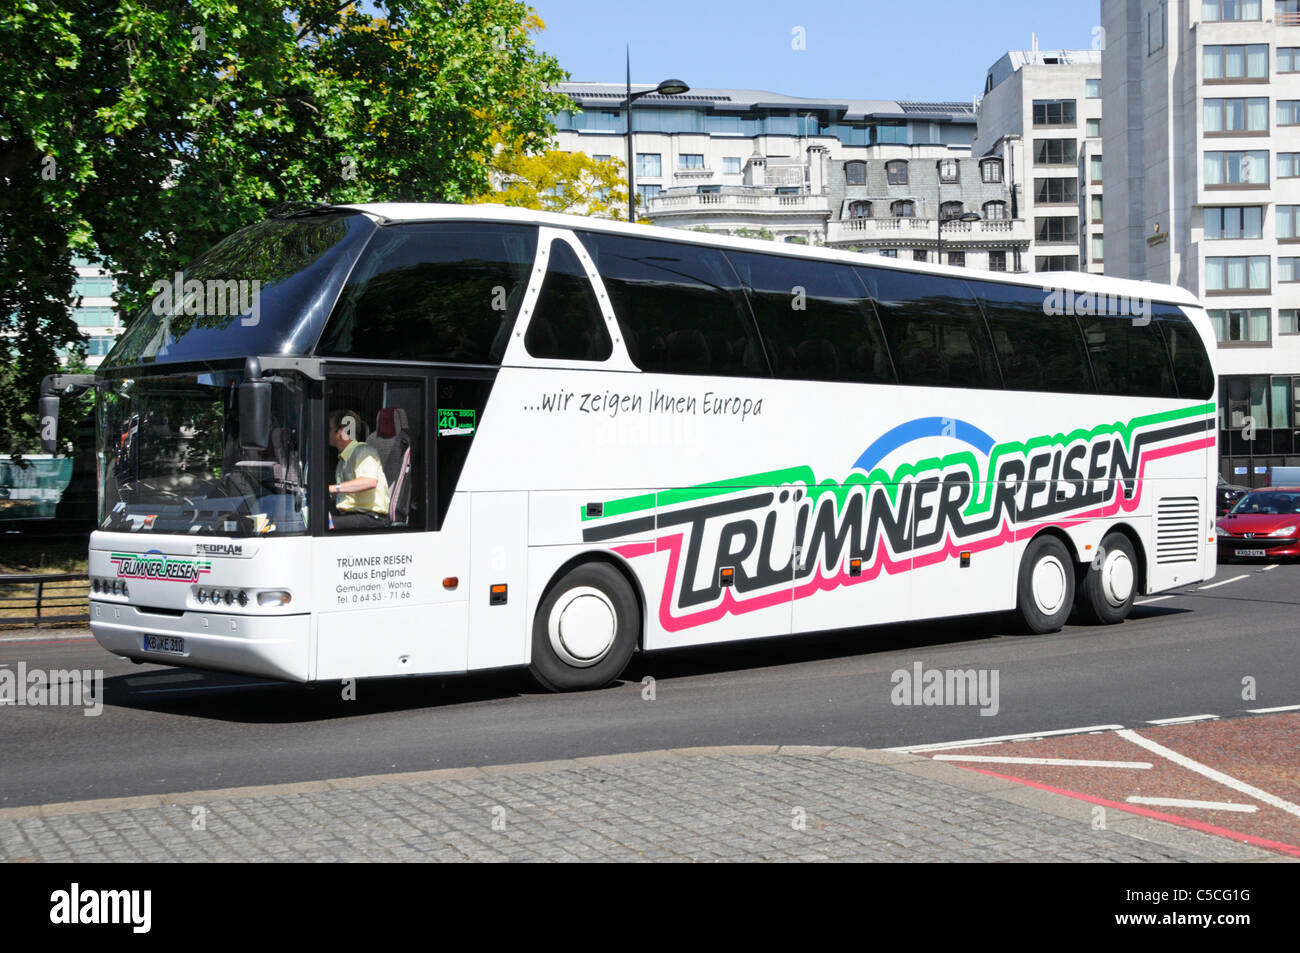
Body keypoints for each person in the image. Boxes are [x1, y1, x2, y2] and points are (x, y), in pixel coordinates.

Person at [327, 408, 390, 529]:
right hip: (352, 516)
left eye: (329, 429)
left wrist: (332, 488)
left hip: (370, 518)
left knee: (325, 525)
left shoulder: (363, 451)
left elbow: (369, 481)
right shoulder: (342, 460)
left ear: (341, 431)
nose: (326, 433)